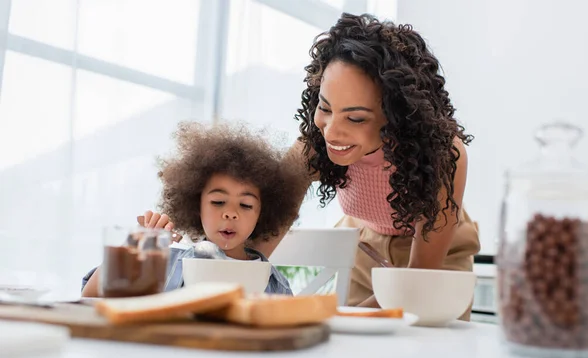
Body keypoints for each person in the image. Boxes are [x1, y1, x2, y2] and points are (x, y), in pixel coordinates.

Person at [142, 12, 481, 320]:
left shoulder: (442, 155)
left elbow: (417, 279)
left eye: (356, 118)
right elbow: (257, 244)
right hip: (366, 243)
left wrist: (329, 314)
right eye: (325, 107)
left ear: (399, 117)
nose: (332, 131)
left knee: (425, 348)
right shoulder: (312, 148)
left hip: (435, 258)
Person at [81, 121, 305, 297]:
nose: (230, 213)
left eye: (246, 205)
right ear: (196, 206)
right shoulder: (164, 262)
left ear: (262, 214)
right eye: (218, 202)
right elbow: (90, 296)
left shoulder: (274, 283)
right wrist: (137, 246)